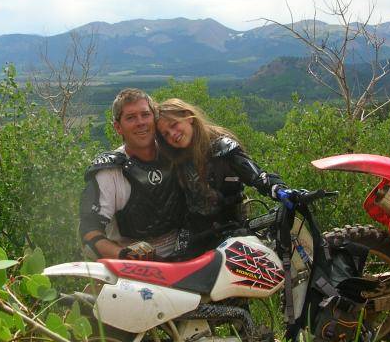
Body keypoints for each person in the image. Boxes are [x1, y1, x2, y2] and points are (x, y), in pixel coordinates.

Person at [156, 98, 288, 252]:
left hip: (232, 233)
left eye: (174, 125)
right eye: (165, 134)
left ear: (188, 117)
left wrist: (280, 189)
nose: (172, 134)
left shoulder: (223, 147)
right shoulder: (174, 162)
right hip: (194, 238)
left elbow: (256, 176)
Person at [79, 88, 186, 260]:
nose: (140, 122)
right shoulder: (109, 172)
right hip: (134, 272)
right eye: (131, 117)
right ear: (118, 127)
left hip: (188, 260)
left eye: (145, 115)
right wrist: (124, 254)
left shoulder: (177, 155)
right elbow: (88, 232)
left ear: (155, 118)